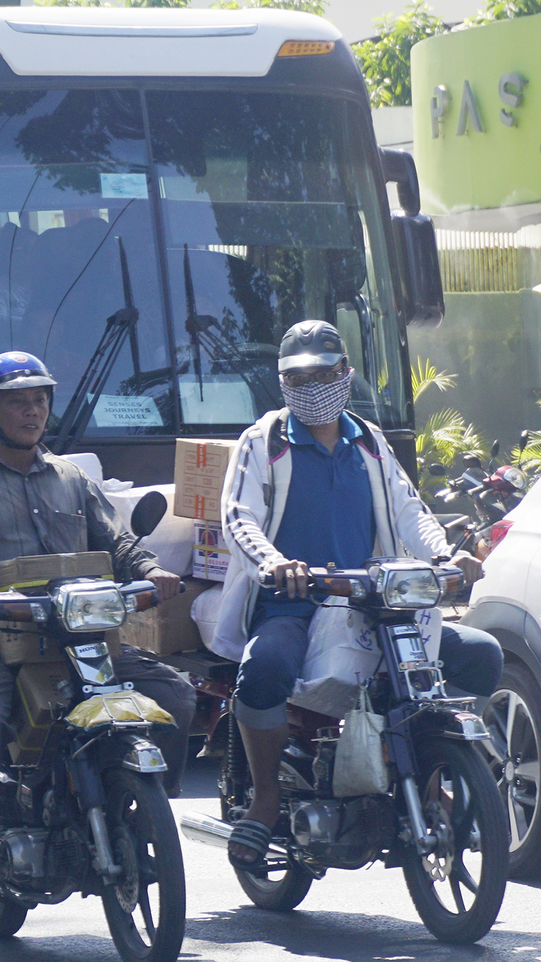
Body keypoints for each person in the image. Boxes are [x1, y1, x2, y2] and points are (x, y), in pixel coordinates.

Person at [212, 320, 498, 869]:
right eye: (300, 377)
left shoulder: (368, 439)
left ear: (346, 373)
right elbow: (237, 517)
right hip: (295, 601)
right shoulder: (263, 440)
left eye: (326, 372)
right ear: (282, 382)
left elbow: (411, 510)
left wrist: (444, 558)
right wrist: (274, 564)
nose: (314, 385)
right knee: (264, 668)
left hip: (372, 598)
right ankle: (267, 796)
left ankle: (426, 761)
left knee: (480, 655)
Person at [0, 351, 195, 890]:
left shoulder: (71, 479)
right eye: (18, 402)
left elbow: (120, 542)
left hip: (85, 638)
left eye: (40, 400)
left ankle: (140, 809)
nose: (33, 412)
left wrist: (153, 571)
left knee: (176, 697)